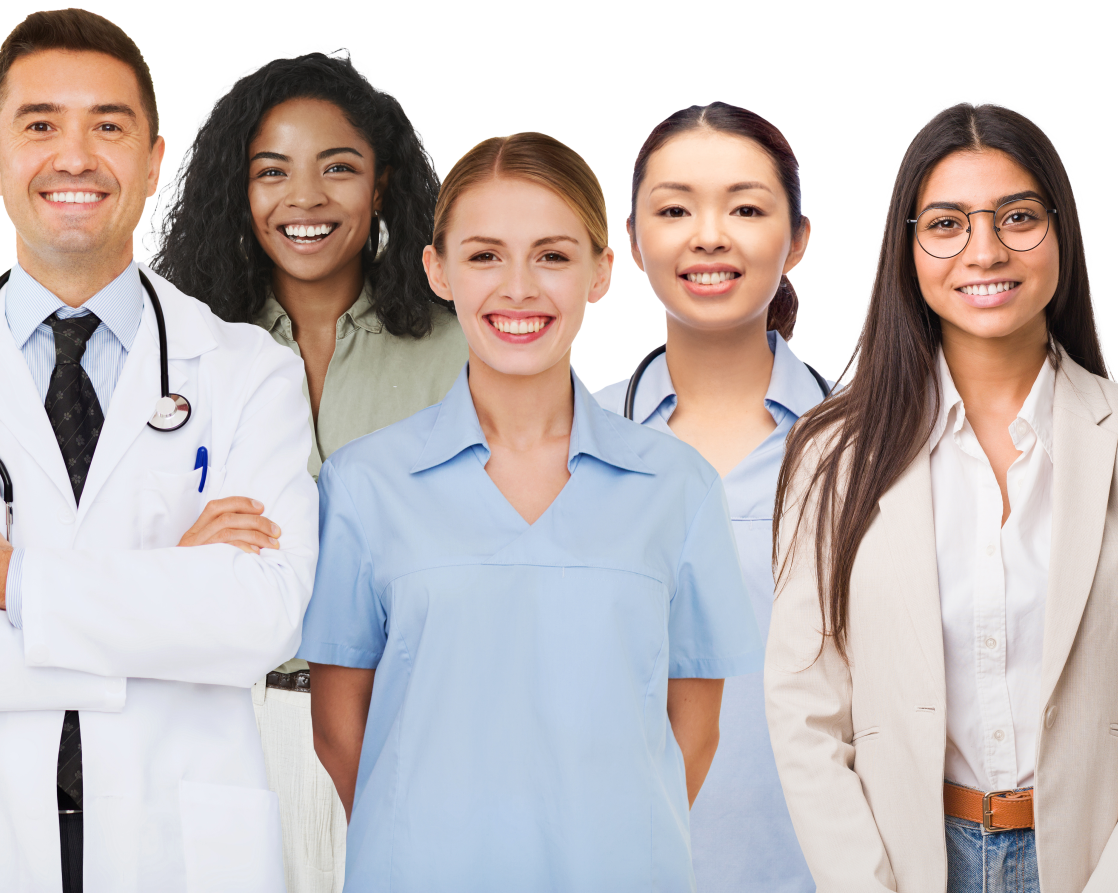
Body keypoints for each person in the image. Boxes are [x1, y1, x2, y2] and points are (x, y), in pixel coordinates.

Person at [0, 7, 317, 893]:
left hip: (184, 848)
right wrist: (165, 594)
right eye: (41, 124)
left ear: (155, 158)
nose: (75, 156)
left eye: (109, 126)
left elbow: (258, 618)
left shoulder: (249, 372)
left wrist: (12, 583)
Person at [767, 98, 1118, 893]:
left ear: (1062, 230)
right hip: (906, 861)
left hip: (1088, 862)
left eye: (1017, 216)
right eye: (947, 224)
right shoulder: (833, 452)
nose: (985, 250)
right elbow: (804, 709)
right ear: (907, 247)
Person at [302, 131, 761, 891]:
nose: (518, 288)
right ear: (438, 270)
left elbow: (696, 729)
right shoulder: (363, 484)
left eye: (551, 255)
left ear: (601, 271)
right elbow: (337, 728)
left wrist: (607, 838)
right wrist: (424, 840)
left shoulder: (678, 486)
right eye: (484, 255)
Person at [146, 45, 464, 893]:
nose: (306, 199)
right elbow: (106, 546)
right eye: (272, 171)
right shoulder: (181, 356)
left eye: (339, 168)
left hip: (407, 724)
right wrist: (175, 549)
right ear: (237, 190)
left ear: (384, 184)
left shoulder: (459, 349)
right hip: (226, 722)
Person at [591, 102, 826, 893]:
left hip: (824, 867)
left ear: (796, 239)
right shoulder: (571, 434)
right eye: (675, 208)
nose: (709, 234)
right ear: (633, 239)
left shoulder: (870, 444)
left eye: (747, 208)